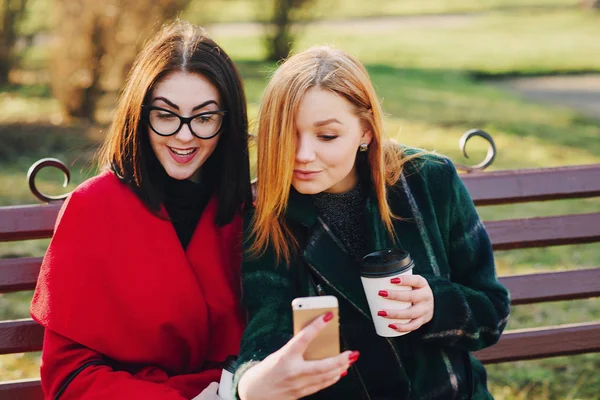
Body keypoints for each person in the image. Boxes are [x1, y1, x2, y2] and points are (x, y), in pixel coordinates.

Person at [233, 46, 511, 400]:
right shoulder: (268, 210)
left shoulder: (427, 181)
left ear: (365, 131)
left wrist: (436, 306)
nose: (302, 155)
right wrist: (254, 380)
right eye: (287, 134)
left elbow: (493, 312)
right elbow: (264, 328)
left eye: (327, 136)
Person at [30, 20, 252, 399]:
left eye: (204, 117)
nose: (185, 136)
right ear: (140, 114)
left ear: (226, 123)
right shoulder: (94, 208)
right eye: (165, 115)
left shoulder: (244, 211)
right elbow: (69, 376)